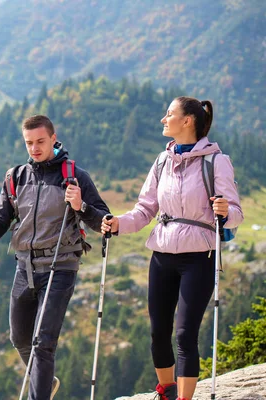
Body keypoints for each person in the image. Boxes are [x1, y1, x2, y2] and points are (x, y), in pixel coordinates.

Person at [101, 97, 243, 400]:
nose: (164, 120)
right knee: (158, 333)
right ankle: (166, 391)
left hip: (199, 257)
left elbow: (236, 213)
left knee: (184, 334)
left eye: (169, 114)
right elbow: (144, 210)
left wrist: (225, 209)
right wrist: (117, 224)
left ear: (188, 120)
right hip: (162, 255)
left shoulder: (217, 161)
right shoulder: (162, 161)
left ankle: (184, 398)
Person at [0, 115, 110, 400]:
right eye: (29, 143)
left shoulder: (75, 176)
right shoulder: (16, 177)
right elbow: (1, 218)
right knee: (19, 338)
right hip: (25, 267)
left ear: (54, 139)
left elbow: (101, 220)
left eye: (40, 142)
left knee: (42, 342)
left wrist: (80, 205)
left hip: (61, 266)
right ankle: (45, 381)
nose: (34, 148)